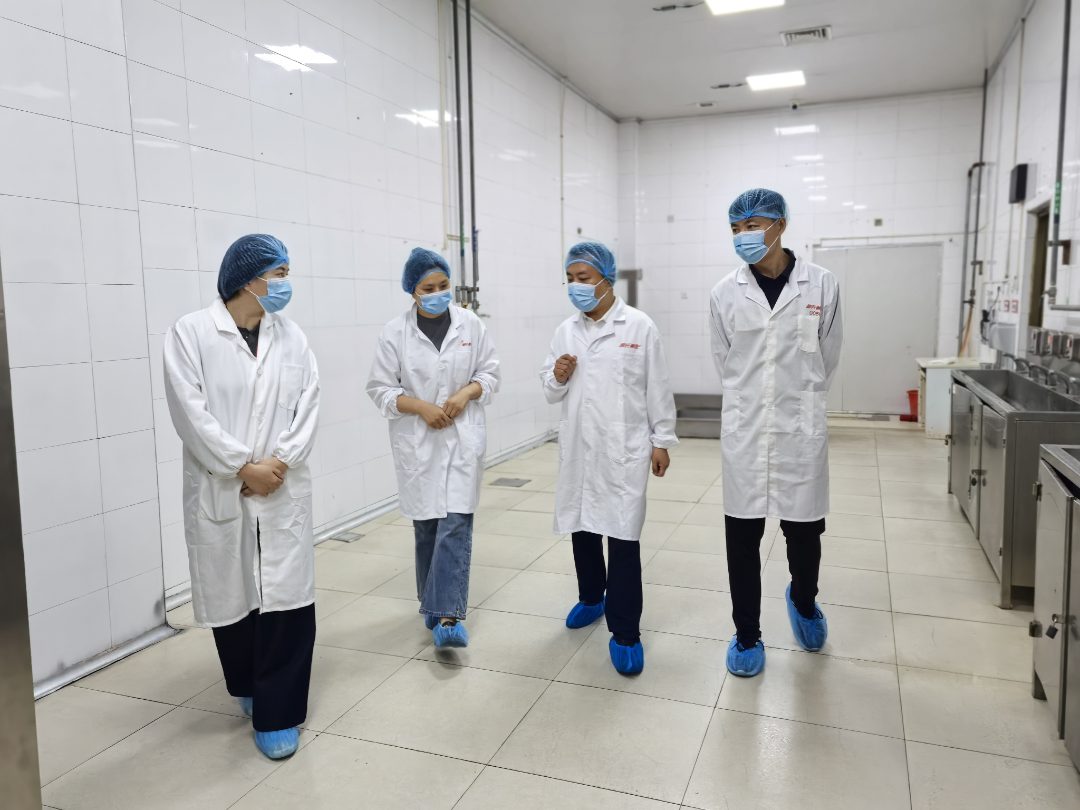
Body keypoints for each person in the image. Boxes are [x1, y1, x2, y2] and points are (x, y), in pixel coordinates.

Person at [164, 234, 320, 759]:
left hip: (280, 487)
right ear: (247, 279)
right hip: (222, 486)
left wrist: (279, 463)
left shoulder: (292, 337)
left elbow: (309, 404)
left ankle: (279, 714)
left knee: (286, 601)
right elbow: (189, 412)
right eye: (279, 274)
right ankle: (248, 683)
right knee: (232, 597)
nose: (285, 283)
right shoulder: (191, 333)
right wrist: (241, 467)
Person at [709, 189, 843, 678]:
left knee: (804, 534)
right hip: (746, 431)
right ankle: (747, 635)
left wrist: (799, 399)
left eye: (753, 225)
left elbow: (828, 356)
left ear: (780, 225)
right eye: (736, 228)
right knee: (742, 539)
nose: (743, 235)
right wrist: (755, 403)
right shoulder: (724, 293)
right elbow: (725, 362)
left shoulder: (821, 284)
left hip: (799, 428)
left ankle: (804, 602)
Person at [540, 242, 678, 675]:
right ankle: (590, 598)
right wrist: (556, 376)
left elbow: (657, 387)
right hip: (581, 447)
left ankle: (625, 631)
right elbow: (550, 389)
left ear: (606, 278)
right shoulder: (565, 331)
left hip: (623, 449)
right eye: (569, 279)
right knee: (582, 526)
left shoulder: (638, 326)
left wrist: (662, 440)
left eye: (583, 278)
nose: (575, 286)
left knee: (622, 537)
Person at [366, 248, 500, 648]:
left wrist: (466, 393)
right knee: (426, 527)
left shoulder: (470, 324)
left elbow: (490, 373)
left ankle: (446, 616)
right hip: (418, 442)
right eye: (429, 288)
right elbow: (379, 389)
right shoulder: (394, 333)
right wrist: (420, 407)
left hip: (462, 437)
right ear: (413, 291)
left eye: (444, 285)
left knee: (456, 522)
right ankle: (431, 600)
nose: (439, 293)